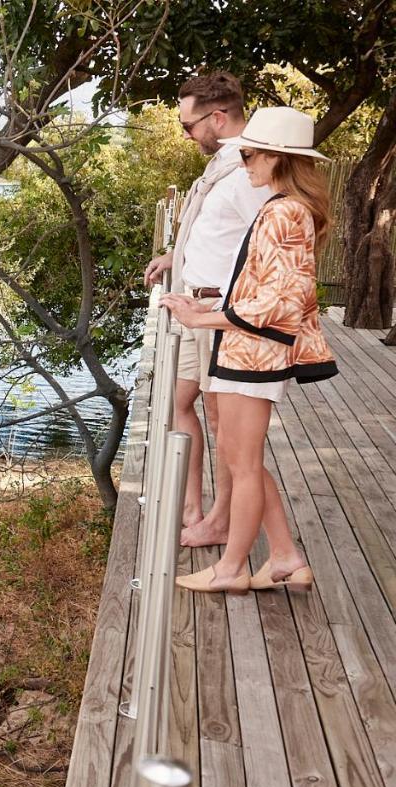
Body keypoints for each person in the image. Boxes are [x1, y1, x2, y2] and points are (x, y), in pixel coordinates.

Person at [162, 106, 338, 594]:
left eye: (251, 154)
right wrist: (212, 304)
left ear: (278, 158)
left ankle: (232, 568)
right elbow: (266, 289)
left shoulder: (284, 213)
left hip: (254, 355)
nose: (245, 163)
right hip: (247, 352)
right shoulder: (282, 207)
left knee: (242, 463)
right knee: (245, 460)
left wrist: (203, 316)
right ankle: (283, 556)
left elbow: (279, 303)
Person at [143, 72, 273, 547]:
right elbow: (215, 233)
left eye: (188, 124)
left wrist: (232, 306)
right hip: (193, 307)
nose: (186, 133)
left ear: (217, 117)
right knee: (179, 401)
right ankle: (192, 504)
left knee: (222, 421)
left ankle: (220, 519)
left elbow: (266, 244)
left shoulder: (248, 171)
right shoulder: (223, 166)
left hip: (218, 314)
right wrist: (173, 257)